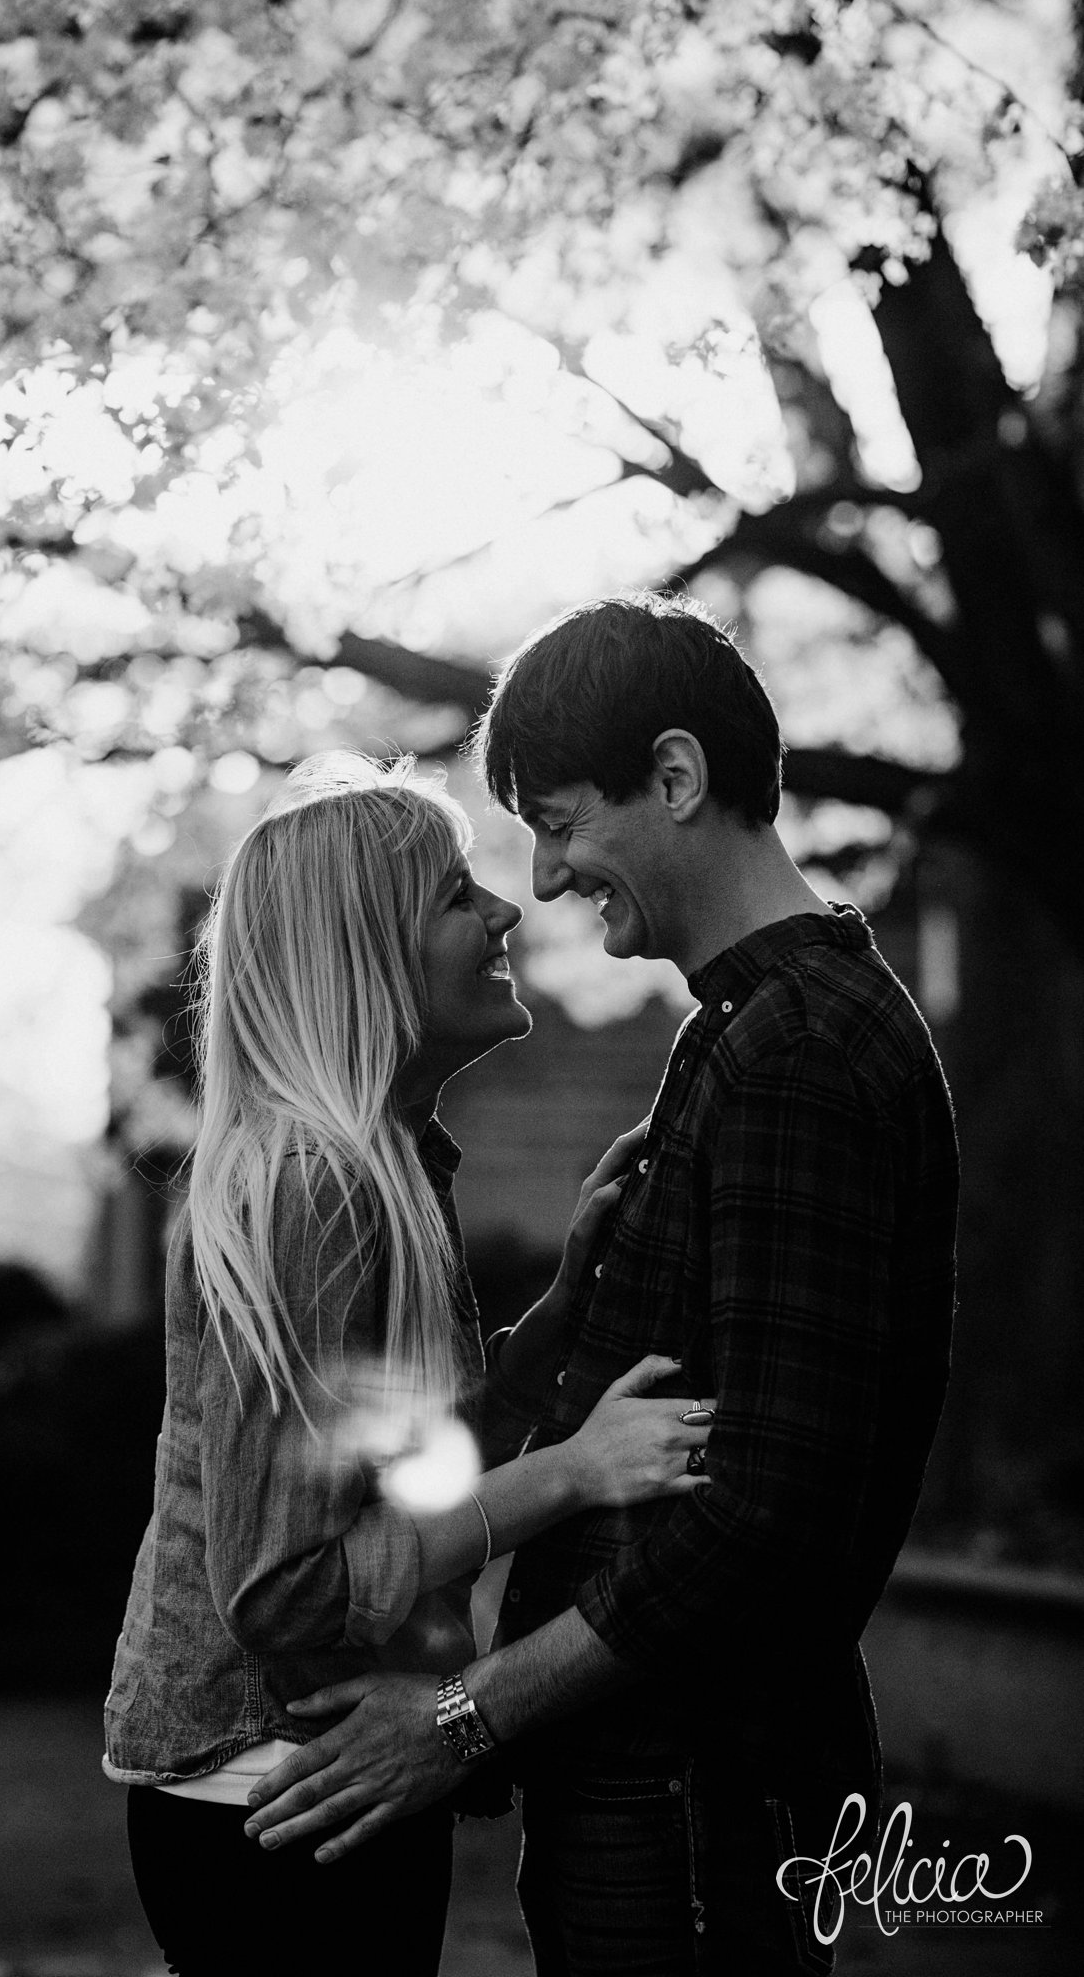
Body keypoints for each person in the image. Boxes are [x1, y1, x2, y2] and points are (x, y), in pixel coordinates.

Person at [242, 596, 960, 1976]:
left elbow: (761, 1518)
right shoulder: (746, 1031)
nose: (551, 877)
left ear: (678, 778)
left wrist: (458, 1716)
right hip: (660, 1782)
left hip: (691, 1791)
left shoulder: (793, 1054)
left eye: (562, 820)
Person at [103, 750, 716, 1977]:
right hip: (273, 1798)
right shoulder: (311, 1187)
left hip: (313, 1782)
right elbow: (285, 1585)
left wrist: (556, 1313)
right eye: (453, 894)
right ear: (363, 956)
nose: (504, 909)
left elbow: (401, 1477)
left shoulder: (383, 1166)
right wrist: (575, 1475)